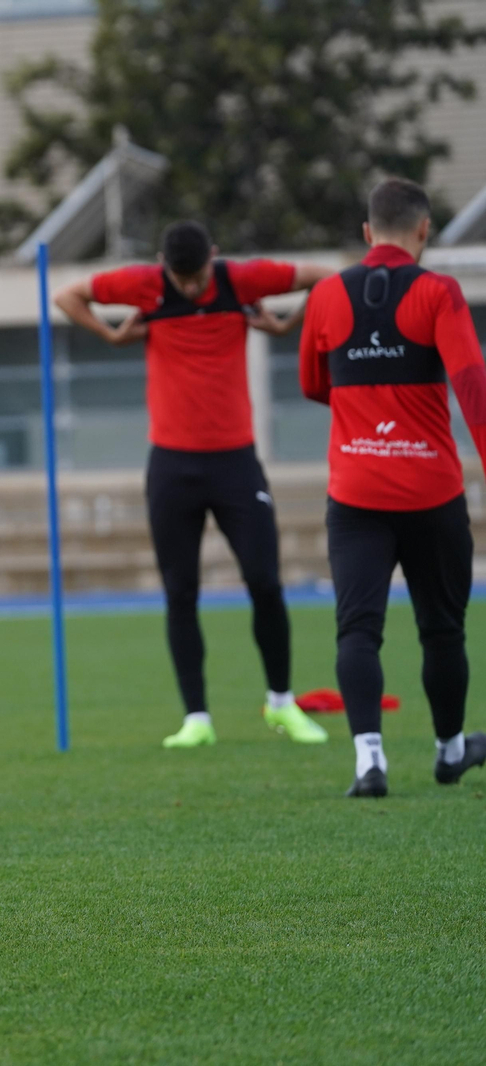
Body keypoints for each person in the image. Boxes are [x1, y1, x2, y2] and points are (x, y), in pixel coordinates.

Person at [55, 221, 337, 748]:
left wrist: (284, 325)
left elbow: (325, 279)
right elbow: (67, 295)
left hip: (235, 462)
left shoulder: (242, 280)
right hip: (171, 465)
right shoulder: (145, 284)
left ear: (215, 255)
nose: (187, 287)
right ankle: (197, 718)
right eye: (179, 278)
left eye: (196, 276)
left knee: (265, 583)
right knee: (180, 592)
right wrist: (110, 334)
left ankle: (281, 703)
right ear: (164, 263)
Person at [298, 177, 486, 798]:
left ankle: (368, 762)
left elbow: (312, 383)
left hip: (355, 495)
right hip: (431, 493)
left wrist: (364, 401)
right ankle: (450, 751)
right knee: (442, 629)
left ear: (366, 232)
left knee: (357, 630)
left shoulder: (326, 294)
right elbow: (472, 388)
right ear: (424, 231)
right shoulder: (439, 291)